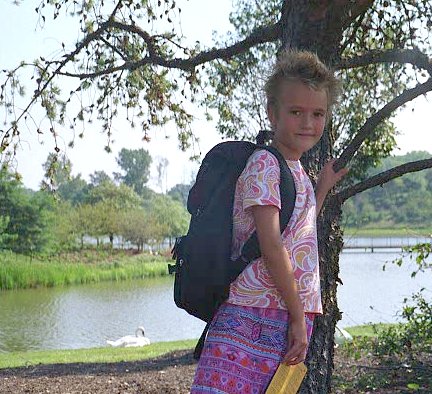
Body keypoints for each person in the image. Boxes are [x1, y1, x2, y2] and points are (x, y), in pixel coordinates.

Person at [190, 50, 348, 393]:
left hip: (285, 311)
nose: (308, 123)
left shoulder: (297, 172)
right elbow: (272, 245)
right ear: (272, 113)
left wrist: (320, 189)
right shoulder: (265, 164)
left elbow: (297, 230)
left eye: (317, 113)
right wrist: (295, 314)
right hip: (255, 310)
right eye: (296, 112)